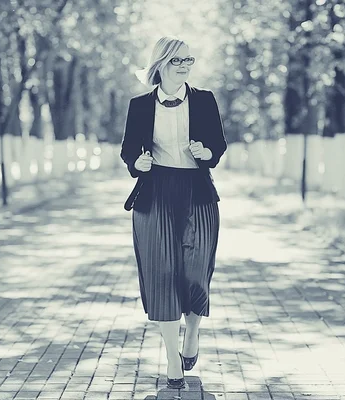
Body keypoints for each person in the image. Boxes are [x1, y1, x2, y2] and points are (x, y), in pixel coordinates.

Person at [120, 36, 227, 389]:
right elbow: (127, 152)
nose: (184, 66)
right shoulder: (139, 105)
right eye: (177, 60)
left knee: (197, 269)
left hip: (197, 190)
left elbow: (218, 145)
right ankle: (171, 357)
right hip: (156, 194)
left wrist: (206, 153)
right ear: (161, 64)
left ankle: (192, 333)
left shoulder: (204, 100)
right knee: (162, 274)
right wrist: (138, 162)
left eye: (188, 60)